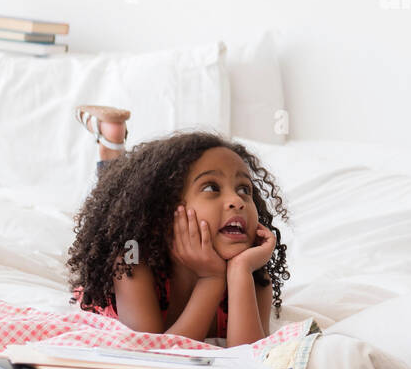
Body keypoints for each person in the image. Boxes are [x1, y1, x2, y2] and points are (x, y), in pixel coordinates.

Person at [65, 105, 292, 346]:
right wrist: (211, 279)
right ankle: (111, 145)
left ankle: (111, 137)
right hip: (133, 236)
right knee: (114, 202)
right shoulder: (131, 261)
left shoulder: (253, 274)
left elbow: (249, 357)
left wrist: (240, 270)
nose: (237, 201)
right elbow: (155, 354)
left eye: (244, 189)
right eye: (211, 187)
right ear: (165, 209)